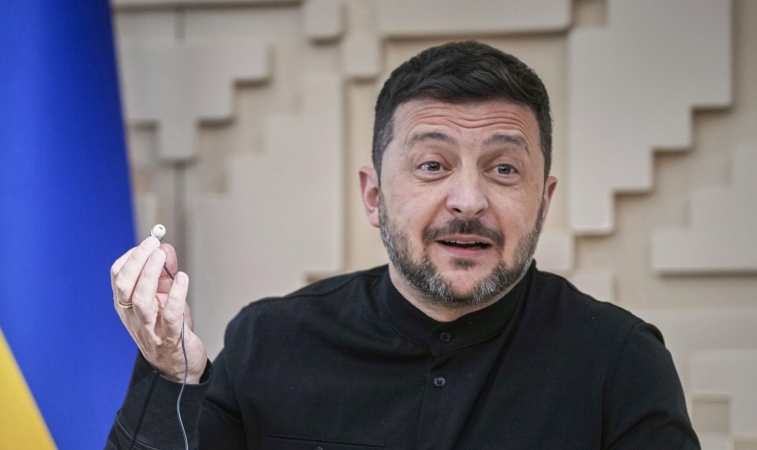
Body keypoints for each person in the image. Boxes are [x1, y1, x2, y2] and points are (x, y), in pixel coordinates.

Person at [107, 41, 699, 449]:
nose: (468, 200)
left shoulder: (620, 362)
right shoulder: (269, 342)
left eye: (503, 169)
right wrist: (171, 374)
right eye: (433, 164)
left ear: (543, 202)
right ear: (374, 196)